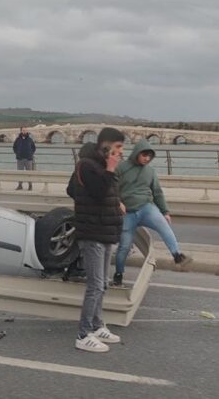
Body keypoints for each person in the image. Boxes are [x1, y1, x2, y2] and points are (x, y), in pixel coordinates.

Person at [66, 127, 125, 352]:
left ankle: (98, 325)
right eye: (118, 147)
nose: (121, 151)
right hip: (92, 232)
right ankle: (83, 334)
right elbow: (98, 191)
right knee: (95, 286)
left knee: (103, 284)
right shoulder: (87, 166)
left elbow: (104, 192)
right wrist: (110, 169)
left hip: (105, 229)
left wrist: (116, 202)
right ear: (106, 145)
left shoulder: (99, 165)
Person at [112, 139, 192, 287]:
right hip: (128, 213)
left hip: (147, 208)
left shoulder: (150, 171)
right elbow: (112, 187)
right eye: (144, 155)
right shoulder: (121, 168)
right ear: (137, 153)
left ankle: (177, 255)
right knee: (124, 246)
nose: (147, 158)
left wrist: (165, 211)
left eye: (149, 156)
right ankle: (118, 274)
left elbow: (157, 192)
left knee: (164, 226)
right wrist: (118, 202)